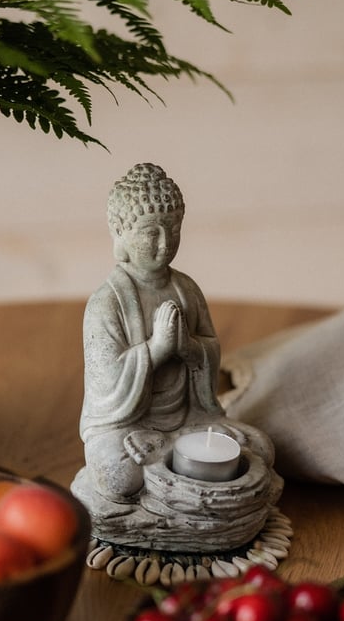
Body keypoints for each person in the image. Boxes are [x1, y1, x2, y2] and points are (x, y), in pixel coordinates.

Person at [79, 162, 253, 504]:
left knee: (258, 447)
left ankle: (168, 454)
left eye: (173, 230)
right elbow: (105, 383)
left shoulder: (186, 289)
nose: (165, 243)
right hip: (124, 428)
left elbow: (210, 349)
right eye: (151, 232)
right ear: (120, 233)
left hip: (189, 420)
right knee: (117, 475)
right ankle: (175, 465)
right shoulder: (105, 302)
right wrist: (156, 349)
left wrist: (188, 347)